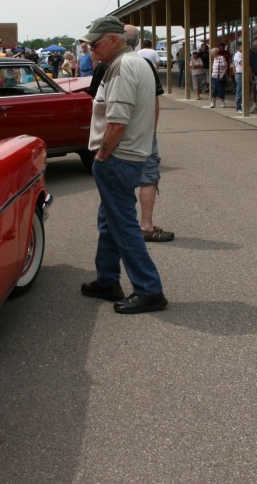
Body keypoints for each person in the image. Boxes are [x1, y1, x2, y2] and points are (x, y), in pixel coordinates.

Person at [79, 16, 167, 314]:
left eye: (95, 43)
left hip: (118, 158)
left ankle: (149, 289)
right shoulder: (136, 63)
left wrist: (101, 158)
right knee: (110, 220)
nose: (90, 49)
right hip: (129, 156)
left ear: (114, 39)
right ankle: (107, 280)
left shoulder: (122, 67)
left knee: (122, 224)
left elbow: (117, 123)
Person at [122, 26, 174, 243]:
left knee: (119, 179)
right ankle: (145, 225)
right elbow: (154, 100)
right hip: (142, 131)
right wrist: (151, 132)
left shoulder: (108, 66)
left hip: (117, 132)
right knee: (148, 176)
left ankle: (123, 226)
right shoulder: (144, 66)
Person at [233, 44, 244, 113]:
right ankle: (238, 107)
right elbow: (243, 63)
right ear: (239, 47)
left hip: (244, 74)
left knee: (245, 91)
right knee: (239, 91)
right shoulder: (238, 54)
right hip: (240, 74)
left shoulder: (243, 54)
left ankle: (242, 105)